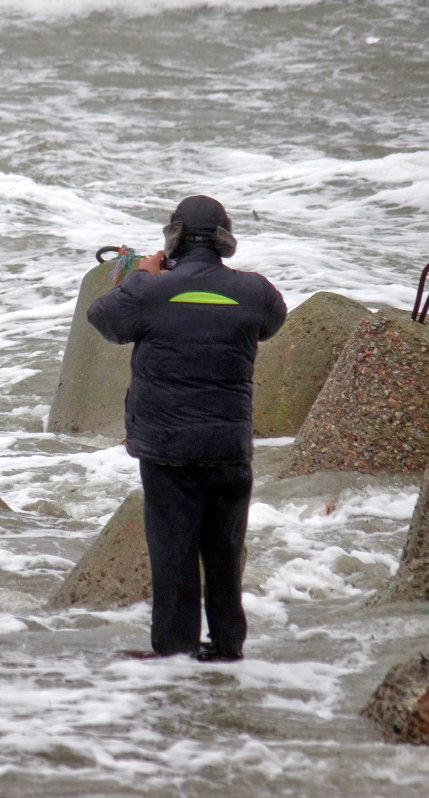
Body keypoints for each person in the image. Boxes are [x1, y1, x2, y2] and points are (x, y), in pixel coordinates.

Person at [87, 195, 286, 661]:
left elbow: (102, 319)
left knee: (174, 553)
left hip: (167, 450)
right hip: (228, 447)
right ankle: (227, 650)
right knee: (224, 552)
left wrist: (145, 276)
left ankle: (176, 656)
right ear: (225, 239)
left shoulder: (150, 290)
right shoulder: (254, 291)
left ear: (172, 236)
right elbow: (269, 324)